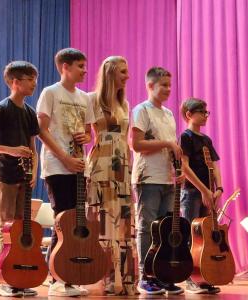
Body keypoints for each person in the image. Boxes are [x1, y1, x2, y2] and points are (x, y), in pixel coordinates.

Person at [36, 48, 94, 297]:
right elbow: (41, 130)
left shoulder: (86, 98)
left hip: (79, 167)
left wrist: (86, 137)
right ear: (65, 67)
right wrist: (65, 159)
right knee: (62, 221)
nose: (85, 70)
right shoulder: (50, 93)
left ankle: (70, 274)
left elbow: (90, 132)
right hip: (58, 165)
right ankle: (56, 277)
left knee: (77, 220)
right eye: (80, 66)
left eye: (85, 65)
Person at [0, 61, 40, 297]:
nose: (34, 84)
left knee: (20, 226)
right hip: (5, 174)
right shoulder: (2, 108)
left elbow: (32, 145)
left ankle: (21, 275)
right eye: (29, 79)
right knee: (6, 226)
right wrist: (11, 150)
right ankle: (7, 277)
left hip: (24, 177)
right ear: (15, 82)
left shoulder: (29, 112)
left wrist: (34, 171)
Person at [130, 67, 184, 295]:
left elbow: (172, 148)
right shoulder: (141, 110)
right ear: (150, 86)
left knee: (164, 230)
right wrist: (167, 144)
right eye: (163, 85)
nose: (168, 90)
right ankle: (146, 275)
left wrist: (178, 169)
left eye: (170, 85)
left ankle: (162, 274)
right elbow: (137, 144)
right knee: (147, 227)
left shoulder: (169, 114)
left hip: (167, 178)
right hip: (148, 177)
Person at [86, 56, 136, 295]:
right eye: (123, 72)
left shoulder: (124, 104)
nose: (127, 76)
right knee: (105, 225)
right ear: (111, 73)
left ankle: (128, 280)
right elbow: (87, 134)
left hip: (123, 166)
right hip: (102, 165)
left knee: (126, 224)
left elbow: (125, 138)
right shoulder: (92, 100)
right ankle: (107, 278)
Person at [179, 98, 222, 294]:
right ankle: (189, 278)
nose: (206, 115)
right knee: (191, 236)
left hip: (208, 193)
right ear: (189, 114)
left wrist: (218, 188)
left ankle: (204, 276)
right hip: (192, 192)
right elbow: (184, 168)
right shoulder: (185, 137)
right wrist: (204, 190)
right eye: (202, 112)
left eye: (207, 112)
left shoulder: (206, 140)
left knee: (206, 237)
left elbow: (214, 164)